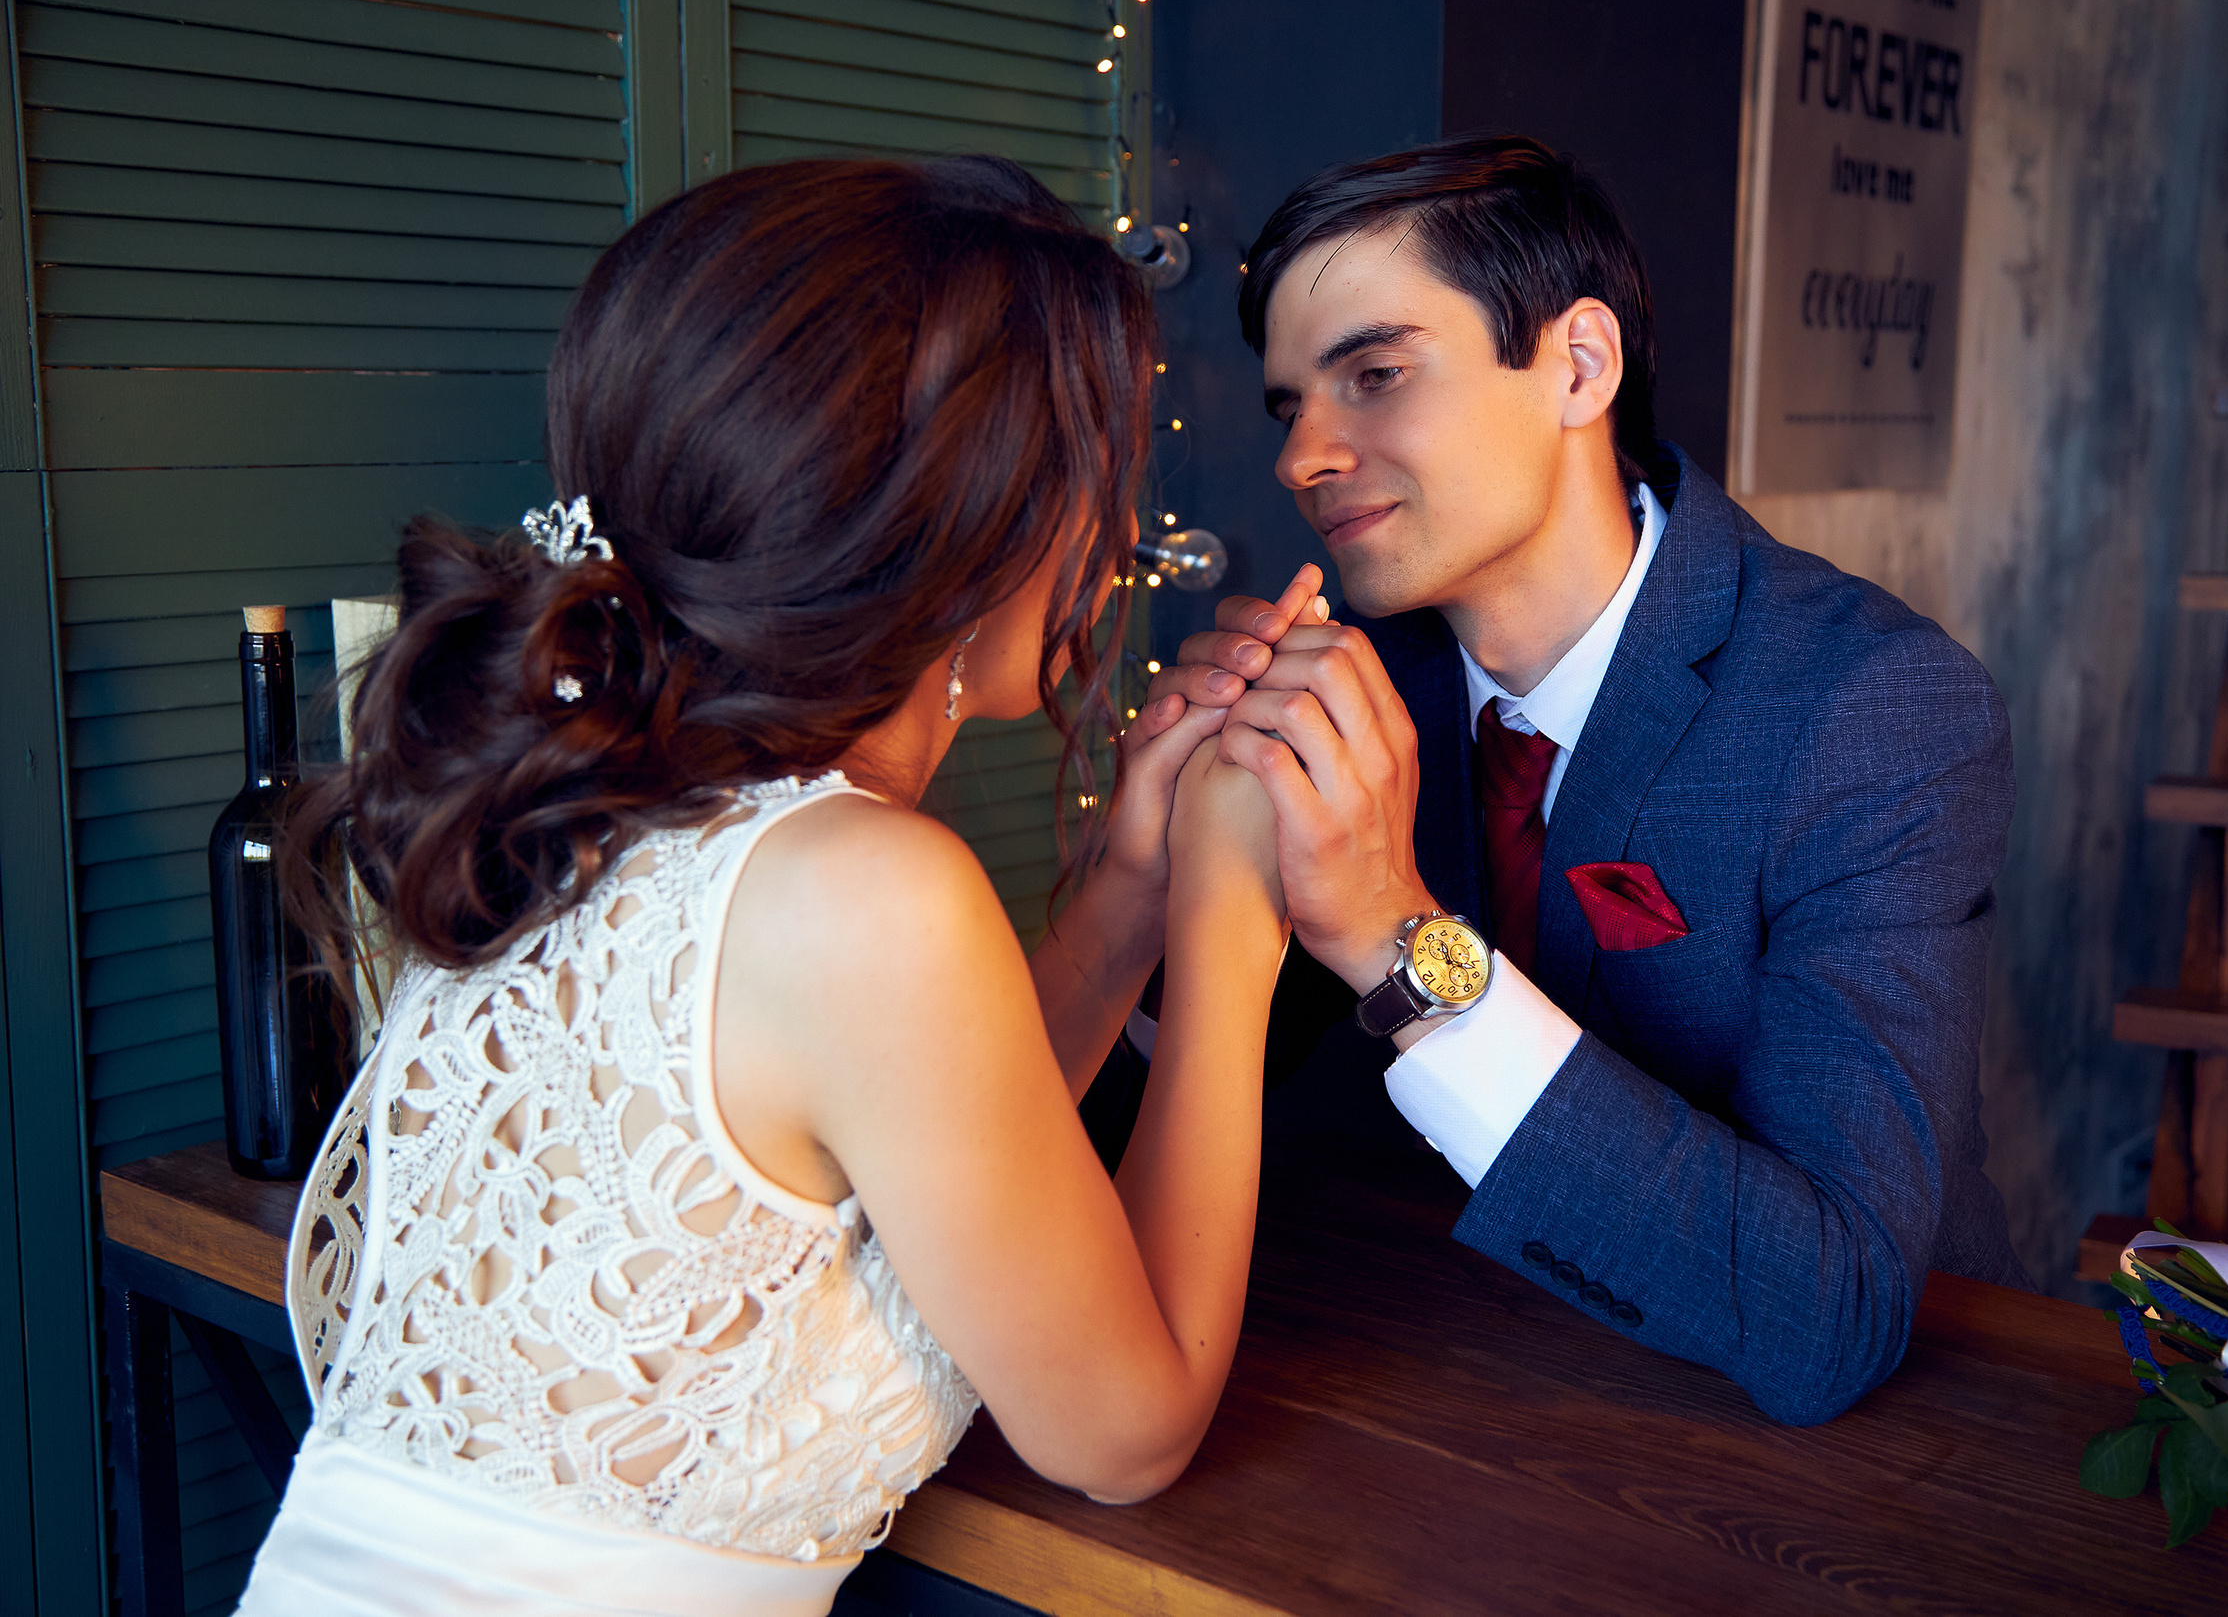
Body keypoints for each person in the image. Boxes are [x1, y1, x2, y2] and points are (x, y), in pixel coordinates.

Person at [241, 157, 1285, 1617]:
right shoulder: (865, 890)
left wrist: (1127, 890)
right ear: (969, 534)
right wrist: (1234, 930)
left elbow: (931, 1154)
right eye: (1093, 476)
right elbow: (1126, 1430)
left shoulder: (580, 814)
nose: (1113, 545)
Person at [1118, 134, 2026, 1428]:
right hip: (1450, 1385)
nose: (1302, 456)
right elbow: (1176, 1108)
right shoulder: (1354, 683)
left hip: (1868, 1448)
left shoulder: (1873, 709)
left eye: (1372, 375)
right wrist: (1151, 895)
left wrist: (1396, 938)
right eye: (1289, 408)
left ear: (1578, 365)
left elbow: (1832, 1309)